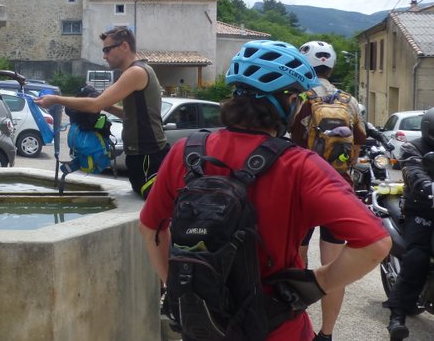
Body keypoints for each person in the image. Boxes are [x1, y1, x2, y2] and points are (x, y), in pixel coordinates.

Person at [139, 40, 391, 340]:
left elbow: (150, 227)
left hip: (204, 323)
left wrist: (180, 290)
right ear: (289, 102)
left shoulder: (187, 151)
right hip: (275, 327)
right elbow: (375, 244)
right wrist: (320, 281)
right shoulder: (300, 165)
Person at [289, 41, 367, 341]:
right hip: (338, 187)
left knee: (297, 259)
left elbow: (289, 138)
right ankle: (327, 334)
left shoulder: (300, 97)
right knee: (333, 266)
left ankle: (296, 324)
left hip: (303, 187)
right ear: (331, 67)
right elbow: (359, 141)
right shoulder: (349, 100)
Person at [36, 25, 167, 198]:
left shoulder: (136, 72)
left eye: (107, 50)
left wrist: (55, 100)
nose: (104, 56)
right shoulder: (134, 72)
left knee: (153, 216)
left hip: (148, 156)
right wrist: (108, 105)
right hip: (142, 156)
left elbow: (94, 105)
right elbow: (127, 115)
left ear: (124, 46)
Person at [385, 107, 434, 340]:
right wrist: (429, 187)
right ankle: (397, 317)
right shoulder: (412, 147)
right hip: (422, 209)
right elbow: (414, 172)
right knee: (418, 257)